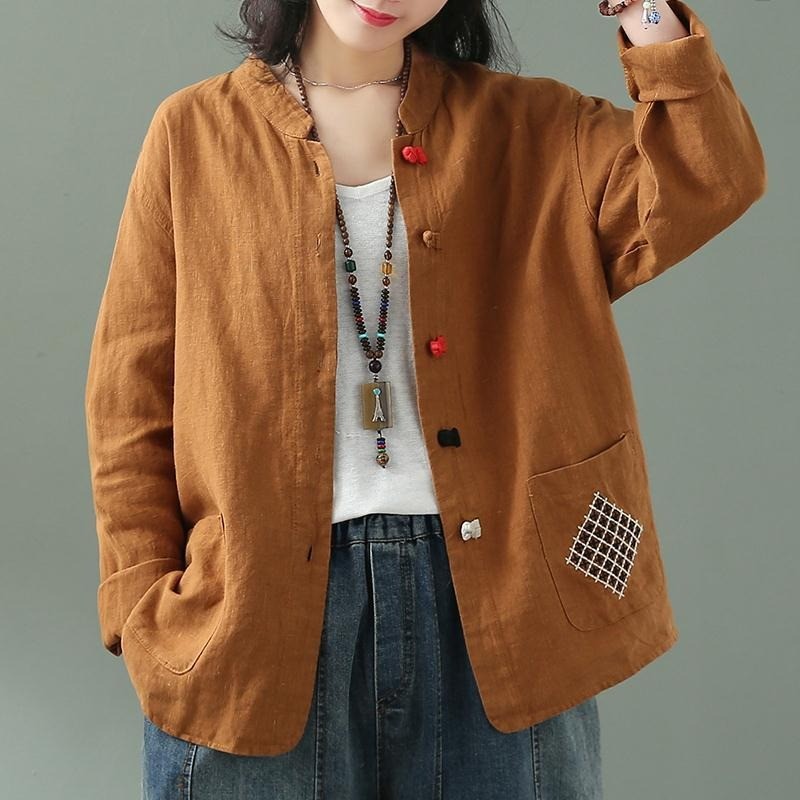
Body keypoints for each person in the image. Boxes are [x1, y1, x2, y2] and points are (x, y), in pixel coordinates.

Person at [84, 0, 766, 797]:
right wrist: (138, 600)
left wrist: (644, 8)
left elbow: (709, 176)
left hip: (508, 596)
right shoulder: (193, 134)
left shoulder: (534, 129)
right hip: (250, 613)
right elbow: (131, 394)